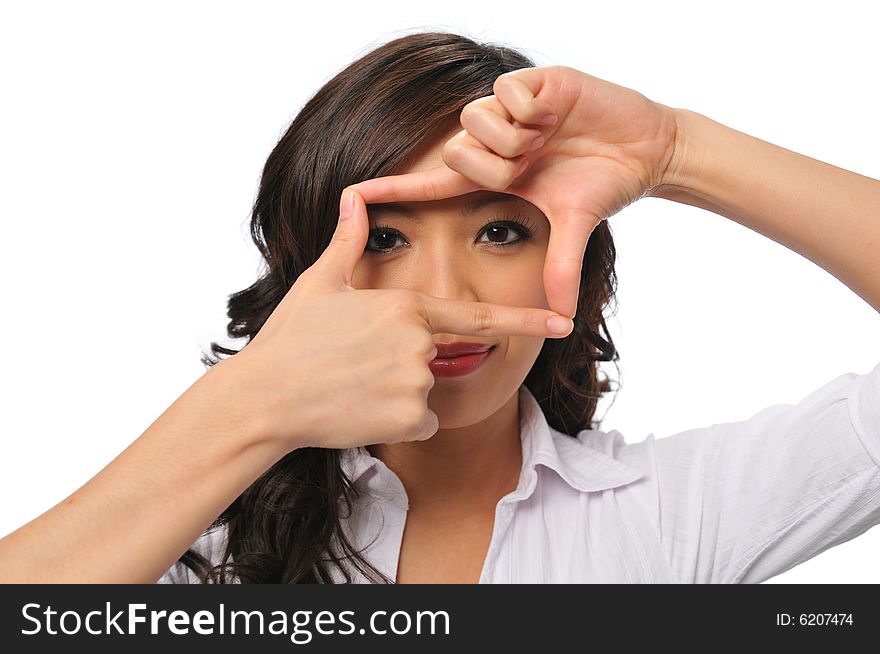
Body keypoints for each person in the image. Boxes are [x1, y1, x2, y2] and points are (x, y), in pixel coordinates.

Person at [0, 30, 877, 584]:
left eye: (499, 233)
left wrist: (681, 149)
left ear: (571, 264)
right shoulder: (197, 549)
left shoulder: (672, 512)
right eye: (384, 238)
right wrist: (251, 405)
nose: (446, 300)